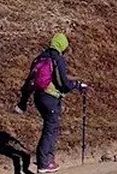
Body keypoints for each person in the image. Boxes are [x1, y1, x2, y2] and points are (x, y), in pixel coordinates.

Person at [14, 33, 87, 174]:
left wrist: (23, 102)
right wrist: (77, 84)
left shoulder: (40, 57)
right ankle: (44, 163)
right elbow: (63, 83)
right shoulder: (56, 58)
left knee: (51, 127)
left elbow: (29, 81)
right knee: (50, 130)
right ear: (63, 45)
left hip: (38, 97)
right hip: (50, 98)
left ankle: (48, 159)